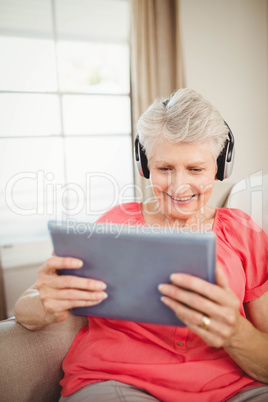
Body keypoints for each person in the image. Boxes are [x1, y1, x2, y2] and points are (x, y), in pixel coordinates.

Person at [14, 89, 268, 402]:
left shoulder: (244, 232)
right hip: (120, 382)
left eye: (195, 169)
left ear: (220, 166)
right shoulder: (115, 224)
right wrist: (44, 303)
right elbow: (25, 308)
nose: (178, 186)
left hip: (233, 388)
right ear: (144, 165)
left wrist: (234, 332)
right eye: (164, 169)